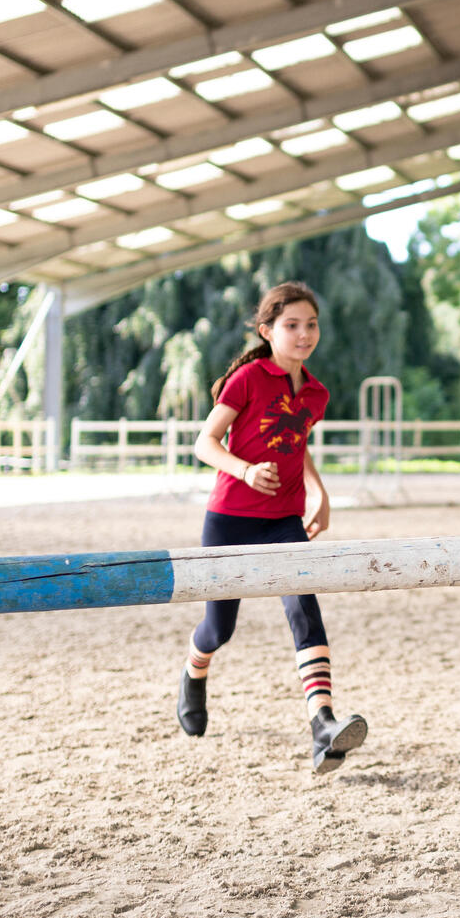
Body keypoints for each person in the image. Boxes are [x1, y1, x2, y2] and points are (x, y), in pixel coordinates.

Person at [176, 280, 368, 774]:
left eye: (311, 325)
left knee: (305, 609)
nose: (304, 334)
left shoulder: (318, 393)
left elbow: (294, 444)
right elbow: (204, 443)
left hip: (284, 520)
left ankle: (322, 724)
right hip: (230, 521)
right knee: (220, 629)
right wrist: (243, 469)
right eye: (291, 326)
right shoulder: (248, 379)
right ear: (268, 331)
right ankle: (193, 673)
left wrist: (320, 492)